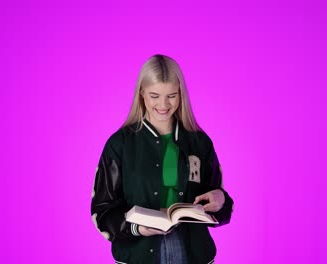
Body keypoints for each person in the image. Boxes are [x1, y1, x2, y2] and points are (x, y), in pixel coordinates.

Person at [91, 54, 233, 264]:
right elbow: (102, 211)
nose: (163, 104)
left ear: (181, 94)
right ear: (142, 94)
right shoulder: (119, 144)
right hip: (138, 254)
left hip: (193, 252)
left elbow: (220, 202)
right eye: (154, 95)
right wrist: (137, 228)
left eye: (172, 95)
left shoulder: (200, 142)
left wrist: (220, 199)